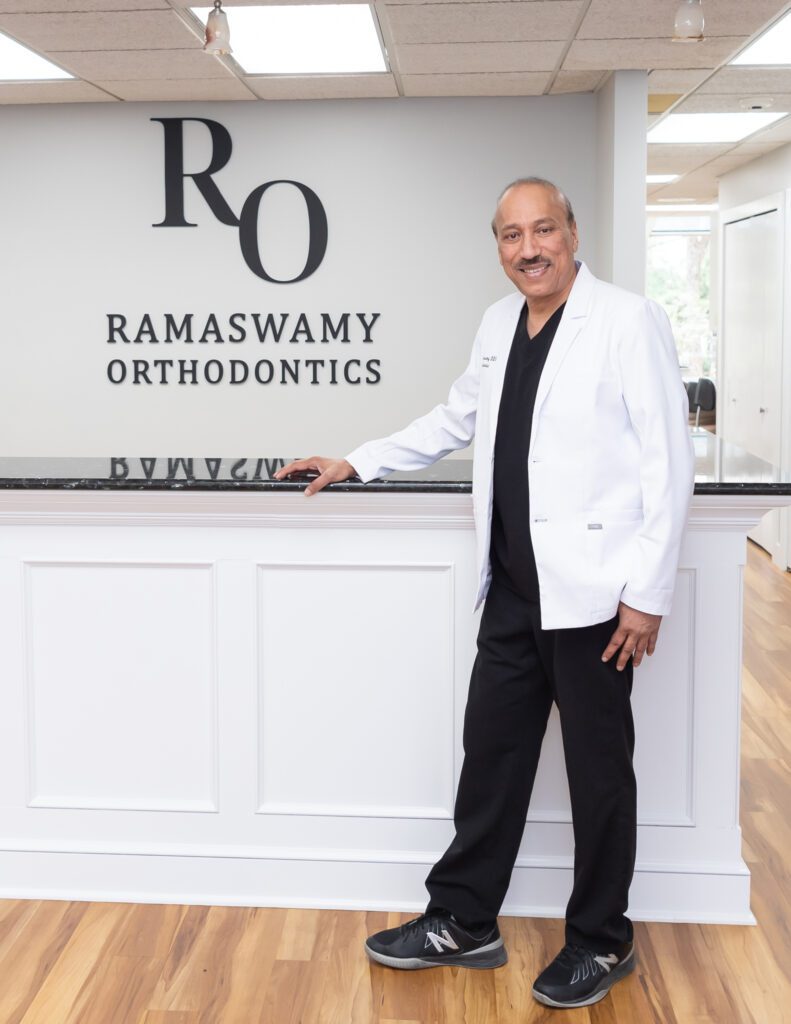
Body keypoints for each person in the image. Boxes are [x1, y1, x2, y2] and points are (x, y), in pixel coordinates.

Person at [275, 178, 695, 1010]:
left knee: (598, 773)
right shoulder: (500, 323)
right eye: (511, 235)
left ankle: (601, 941)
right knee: (491, 756)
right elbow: (455, 417)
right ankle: (464, 921)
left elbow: (667, 461)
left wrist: (645, 593)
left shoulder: (625, 320)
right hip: (511, 589)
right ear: (498, 247)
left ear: (572, 233)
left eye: (543, 229)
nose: (528, 248)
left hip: (595, 600)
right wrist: (358, 458)